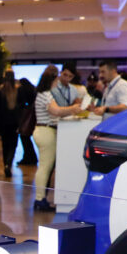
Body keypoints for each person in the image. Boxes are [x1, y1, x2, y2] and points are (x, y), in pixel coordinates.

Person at [32, 65, 80, 212]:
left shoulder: (43, 93)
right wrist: (73, 109)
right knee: (45, 168)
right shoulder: (46, 94)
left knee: (44, 167)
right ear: (53, 79)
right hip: (46, 132)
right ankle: (40, 199)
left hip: (43, 131)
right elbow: (56, 110)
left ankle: (41, 198)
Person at [0, 69, 20, 177]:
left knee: (5, 145)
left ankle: (5, 165)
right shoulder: (17, 90)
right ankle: (9, 164)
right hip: (15, 123)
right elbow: (21, 107)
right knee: (13, 145)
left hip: (3, 122)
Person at [16, 77, 38, 166]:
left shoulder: (21, 90)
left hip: (24, 116)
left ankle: (28, 158)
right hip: (32, 117)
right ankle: (32, 158)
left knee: (24, 137)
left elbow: (20, 102)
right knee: (27, 138)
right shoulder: (33, 88)